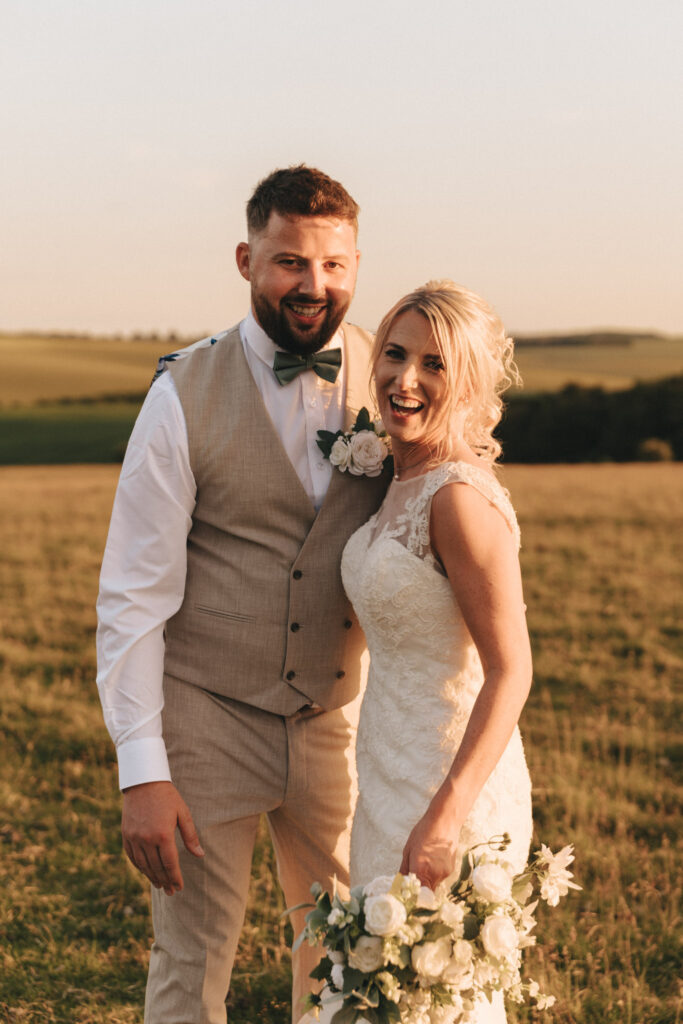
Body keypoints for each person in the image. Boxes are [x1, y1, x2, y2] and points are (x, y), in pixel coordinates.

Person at [96, 165, 390, 1024]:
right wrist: (141, 771)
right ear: (246, 259)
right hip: (207, 714)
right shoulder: (179, 394)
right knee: (191, 963)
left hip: (340, 716)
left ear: (356, 264)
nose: (312, 285)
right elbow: (132, 597)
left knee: (347, 953)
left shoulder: (393, 376)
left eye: (332, 266)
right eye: (289, 262)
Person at [310, 280, 533, 1024]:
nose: (404, 379)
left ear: (467, 383)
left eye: (433, 364)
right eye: (395, 354)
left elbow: (511, 669)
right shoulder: (392, 477)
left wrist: (447, 815)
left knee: (441, 1004)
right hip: (384, 766)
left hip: (447, 782)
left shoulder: (460, 500)